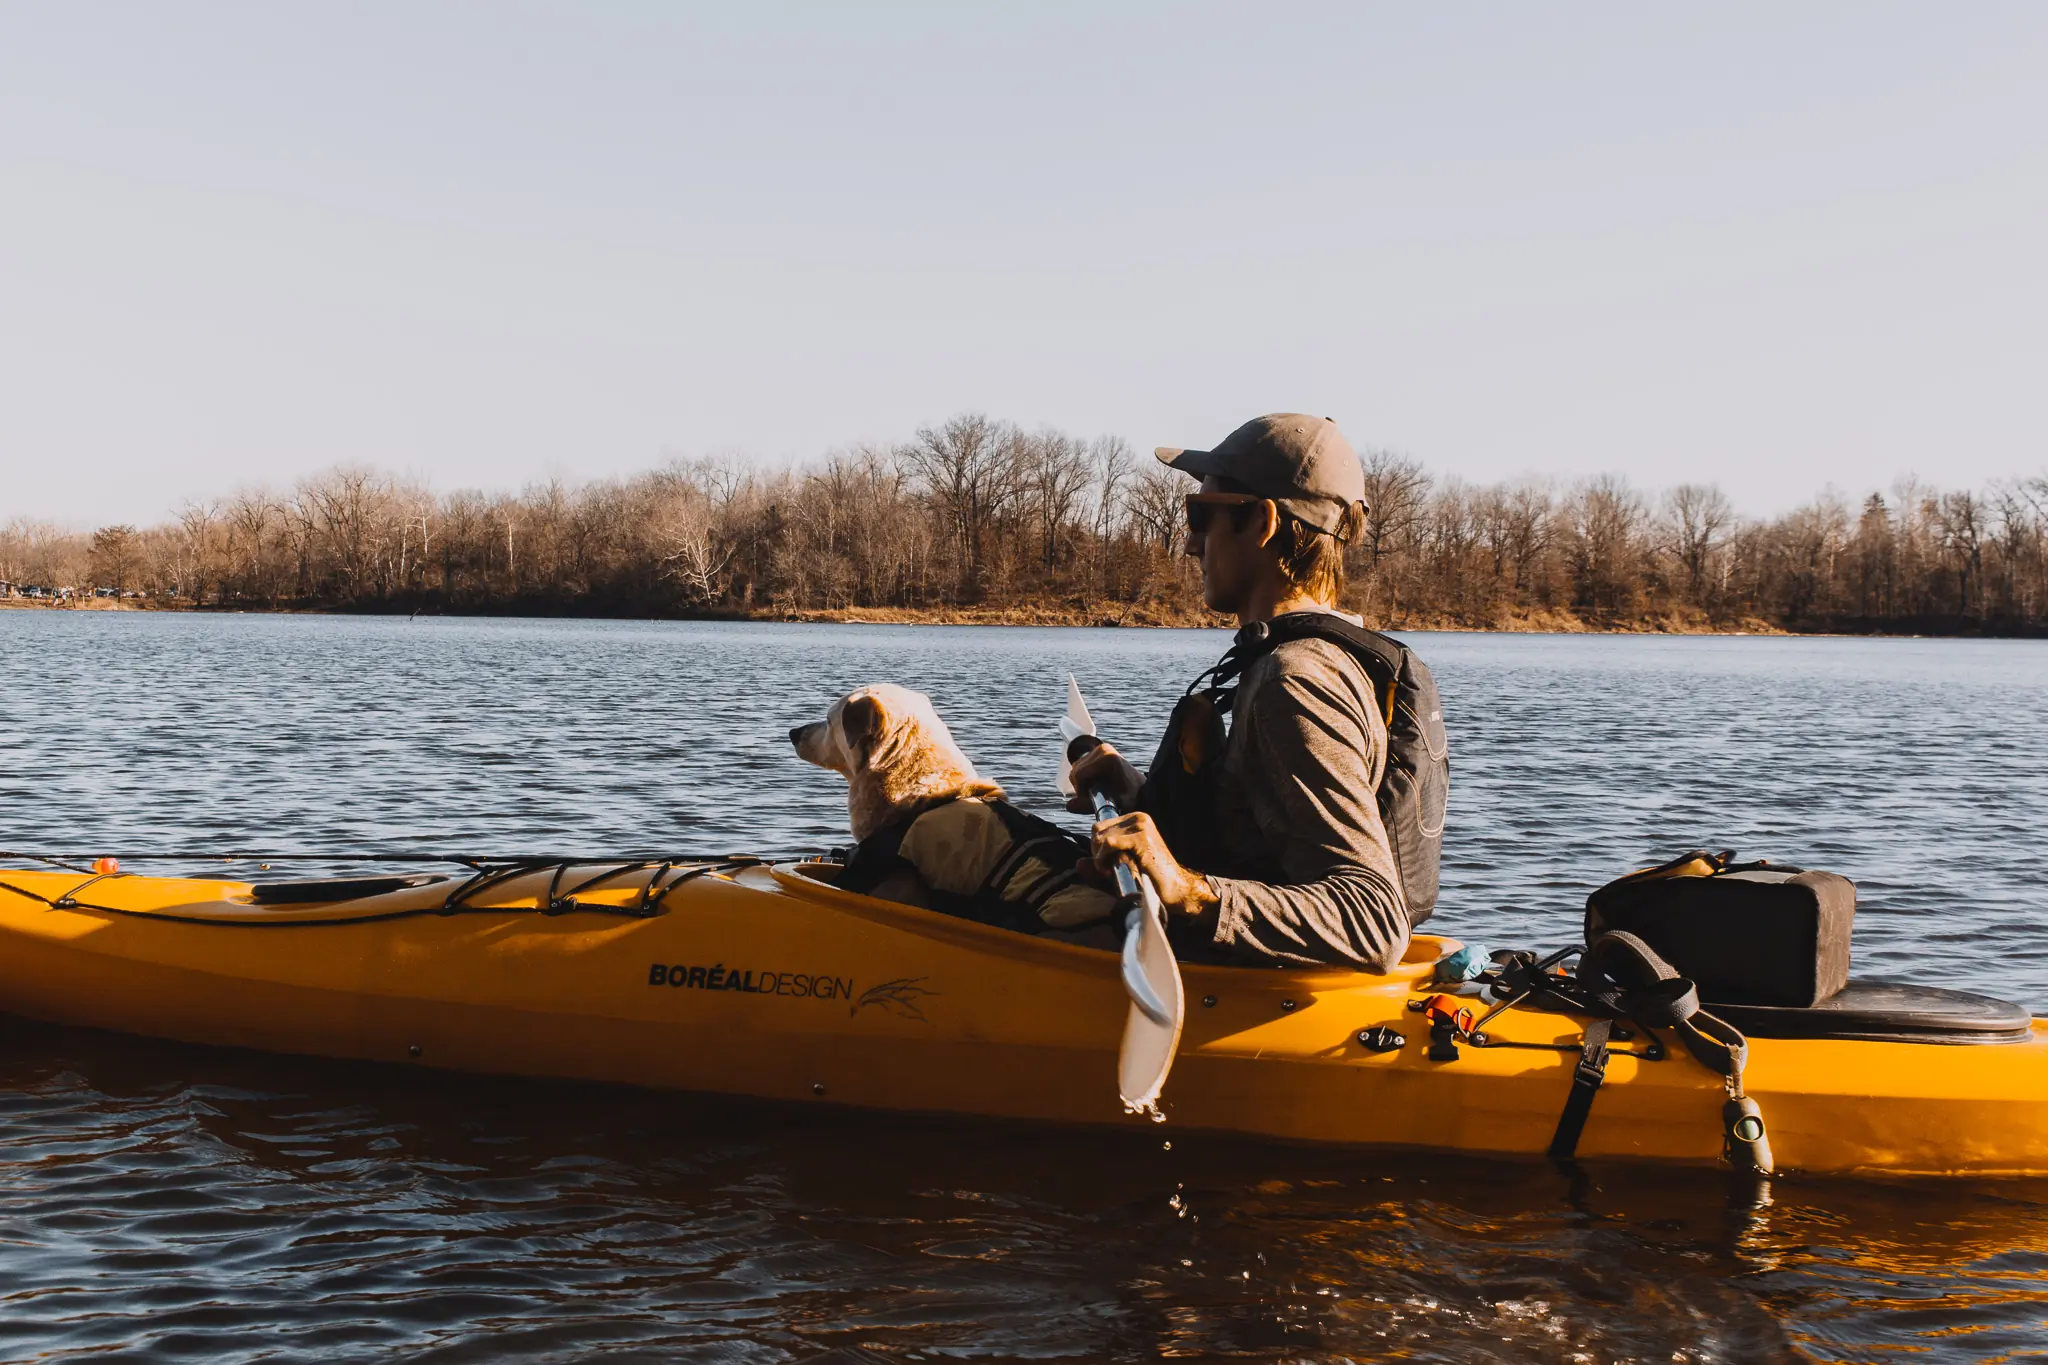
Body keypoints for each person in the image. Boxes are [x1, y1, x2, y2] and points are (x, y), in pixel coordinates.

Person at [1068, 413, 1413, 972]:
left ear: (1263, 522)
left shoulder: (1297, 680)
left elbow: (1372, 919)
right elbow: (1258, 837)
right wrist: (1141, 797)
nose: (1190, 544)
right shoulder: (1303, 659)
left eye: (1201, 515)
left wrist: (1187, 890)